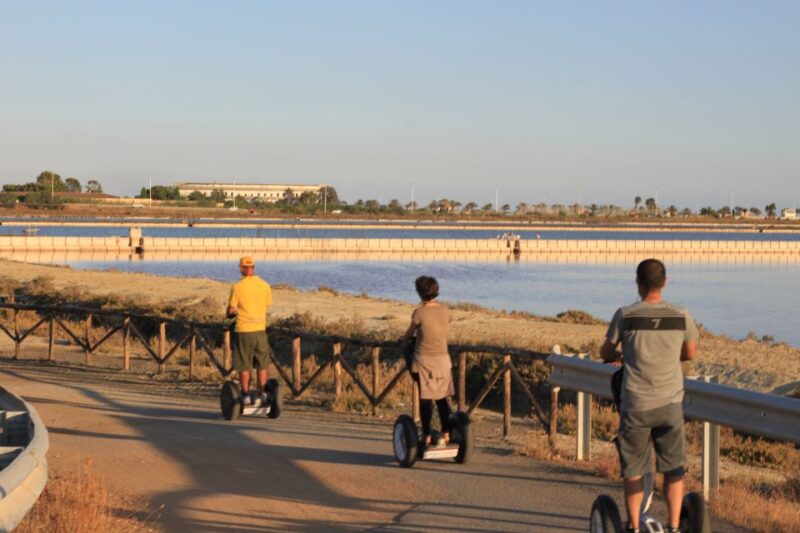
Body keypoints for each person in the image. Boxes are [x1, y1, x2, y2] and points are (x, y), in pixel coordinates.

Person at [600, 259, 699, 533]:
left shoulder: (626, 315)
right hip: (670, 403)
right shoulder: (681, 315)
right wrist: (668, 357)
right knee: (674, 469)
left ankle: (633, 526)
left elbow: (605, 351)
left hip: (636, 404)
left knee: (633, 469)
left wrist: (622, 355)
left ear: (638, 283)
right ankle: (674, 526)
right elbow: (690, 353)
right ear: (665, 282)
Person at [401, 275, 455, 448]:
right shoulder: (447, 311)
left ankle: (426, 436)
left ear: (419, 292)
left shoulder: (419, 313)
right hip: (443, 360)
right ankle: (446, 432)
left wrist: (403, 340)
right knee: (442, 397)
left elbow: (409, 334)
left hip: (423, 361)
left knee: (425, 399)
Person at [227, 256, 273, 406]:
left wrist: (231, 313)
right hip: (260, 329)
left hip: (243, 330)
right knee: (262, 364)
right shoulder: (265, 285)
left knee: (244, 364)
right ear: (253, 268)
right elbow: (267, 304)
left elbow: (231, 310)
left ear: (241, 268)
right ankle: (263, 393)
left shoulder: (237, 287)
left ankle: (245, 394)